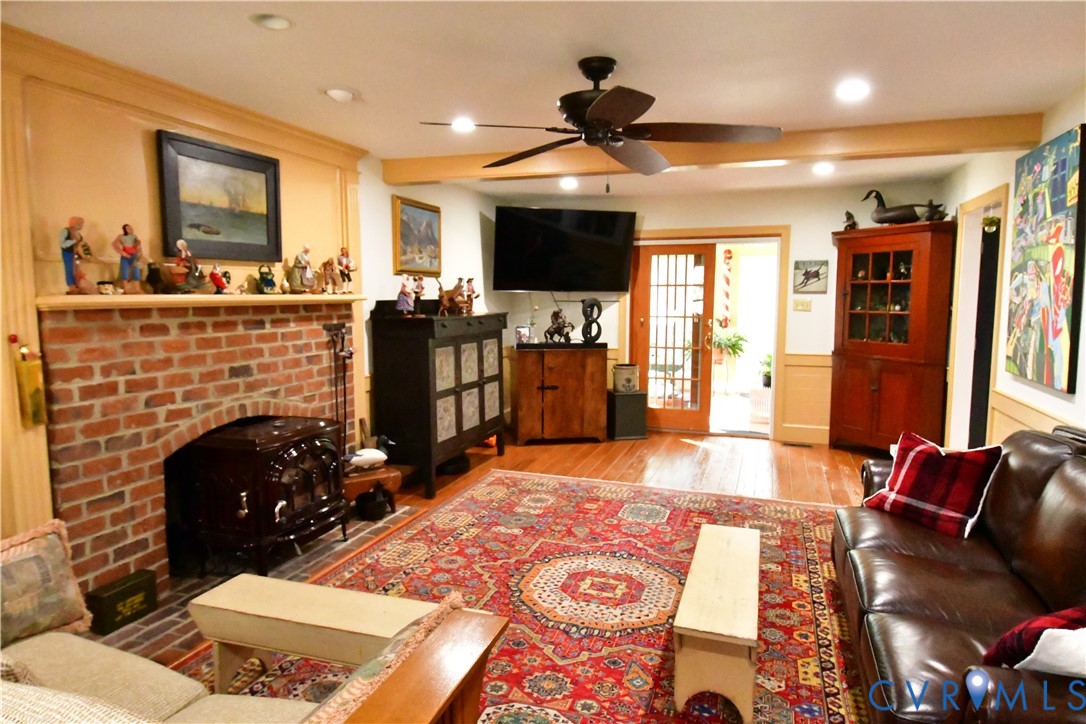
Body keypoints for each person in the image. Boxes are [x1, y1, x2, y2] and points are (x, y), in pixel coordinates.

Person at [59, 216, 85, 293]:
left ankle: (77, 284)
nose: (81, 225)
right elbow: (62, 244)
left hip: (76, 254)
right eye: (80, 223)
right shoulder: (65, 231)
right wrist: (73, 241)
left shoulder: (78, 234)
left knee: (77, 269)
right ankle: (71, 286)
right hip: (68, 253)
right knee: (69, 269)